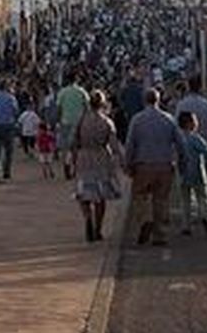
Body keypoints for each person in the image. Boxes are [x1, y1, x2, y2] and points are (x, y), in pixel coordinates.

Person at [124, 88, 186, 247]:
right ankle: (160, 234)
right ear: (158, 100)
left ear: (145, 101)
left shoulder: (137, 120)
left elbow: (130, 144)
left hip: (143, 165)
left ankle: (145, 219)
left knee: (140, 196)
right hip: (164, 165)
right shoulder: (169, 119)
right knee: (161, 199)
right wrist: (182, 161)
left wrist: (128, 164)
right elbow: (180, 143)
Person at [74, 90, 123, 243]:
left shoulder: (82, 120)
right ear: (102, 104)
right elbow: (115, 145)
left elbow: (73, 140)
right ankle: (98, 228)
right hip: (101, 156)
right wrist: (122, 160)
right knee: (100, 196)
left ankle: (87, 217)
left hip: (84, 156)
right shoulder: (107, 122)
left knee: (84, 192)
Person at [176, 111, 207, 238]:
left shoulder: (178, 138)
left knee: (185, 200)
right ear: (189, 123)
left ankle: (186, 226)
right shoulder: (195, 138)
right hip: (197, 171)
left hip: (182, 173)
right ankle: (204, 215)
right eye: (194, 121)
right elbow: (206, 151)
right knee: (203, 196)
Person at [57, 73, 90, 181]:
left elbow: (59, 107)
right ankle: (75, 169)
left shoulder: (62, 92)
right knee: (77, 148)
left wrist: (59, 120)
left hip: (65, 121)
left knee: (66, 147)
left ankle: (66, 166)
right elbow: (87, 107)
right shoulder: (82, 91)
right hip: (79, 122)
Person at [0, 82, 20, 183]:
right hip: (8, 125)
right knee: (8, 151)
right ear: (7, 88)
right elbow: (16, 111)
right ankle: (6, 172)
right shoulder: (11, 98)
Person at [174, 77, 207, 148]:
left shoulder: (181, 105)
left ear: (188, 87)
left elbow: (177, 125)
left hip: (187, 144)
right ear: (200, 88)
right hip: (205, 142)